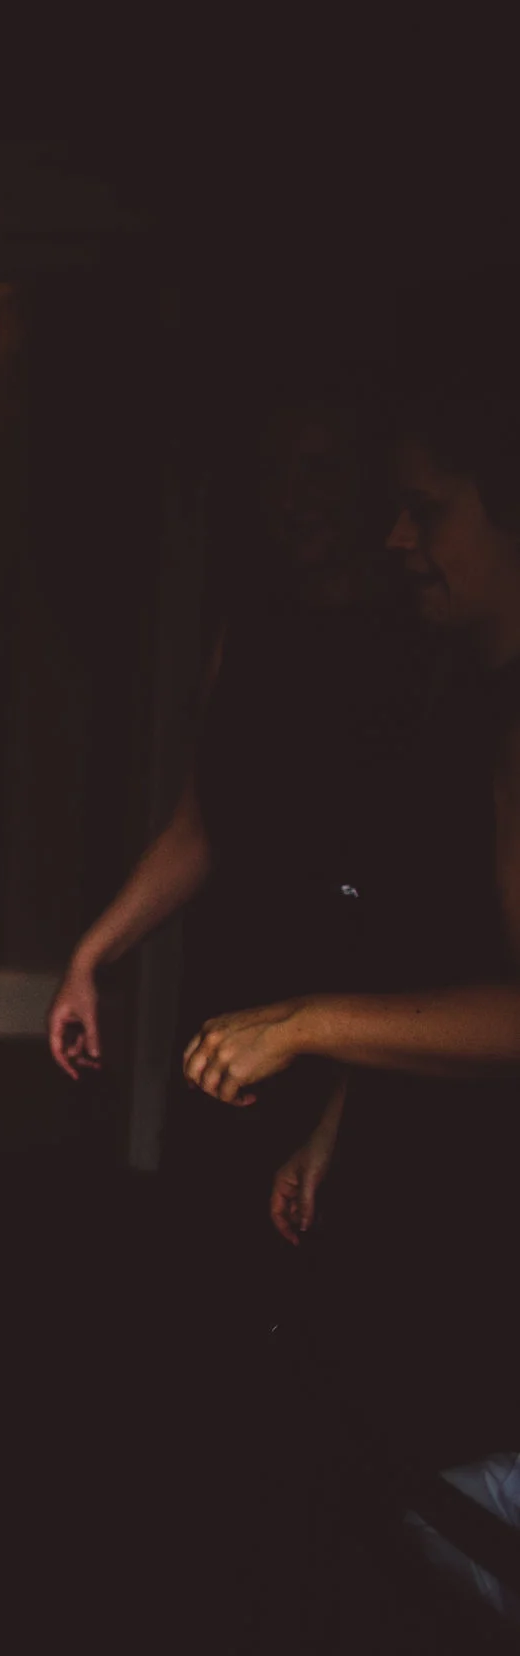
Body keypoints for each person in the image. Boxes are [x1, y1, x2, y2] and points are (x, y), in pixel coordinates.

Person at [185, 377, 520, 1473]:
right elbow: (434, 940)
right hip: (396, 1122)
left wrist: (307, 1022)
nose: (397, 535)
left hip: (482, 1187)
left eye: (427, 510)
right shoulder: (458, 686)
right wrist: (342, 1113)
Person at [44, 396, 425, 1331]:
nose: (296, 496)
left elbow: (428, 889)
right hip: (231, 981)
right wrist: (94, 955)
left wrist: (344, 1074)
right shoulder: (249, 626)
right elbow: (202, 820)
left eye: (322, 470)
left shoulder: (423, 650)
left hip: (366, 995)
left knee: (333, 1285)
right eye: (281, 473)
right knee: (212, 1264)